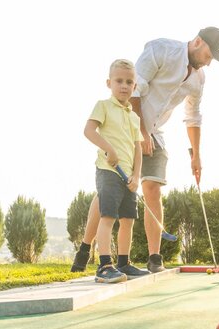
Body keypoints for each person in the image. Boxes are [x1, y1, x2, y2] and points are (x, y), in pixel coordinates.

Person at [71, 27, 219, 273]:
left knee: (152, 187)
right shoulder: (161, 50)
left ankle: (154, 258)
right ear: (198, 42)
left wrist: (196, 154)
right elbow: (135, 91)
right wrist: (140, 132)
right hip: (126, 128)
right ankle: (84, 248)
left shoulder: (199, 79)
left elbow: (192, 116)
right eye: (209, 55)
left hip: (155, 133)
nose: (209, 63)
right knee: (107, 194)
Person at [83, 58, 149, 283]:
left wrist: (137, 176)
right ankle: (104, 267)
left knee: (128, 219)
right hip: (108, 172)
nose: (124, 85)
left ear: (135, 87)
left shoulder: (134, 116)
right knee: (108, 216)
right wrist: (108, 148)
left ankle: (123, 263)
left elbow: (137, 148)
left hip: (128, 176)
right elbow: (89, 131)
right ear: (109, 83)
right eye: (119, 81)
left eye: (129, 82)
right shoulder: (103, 106)